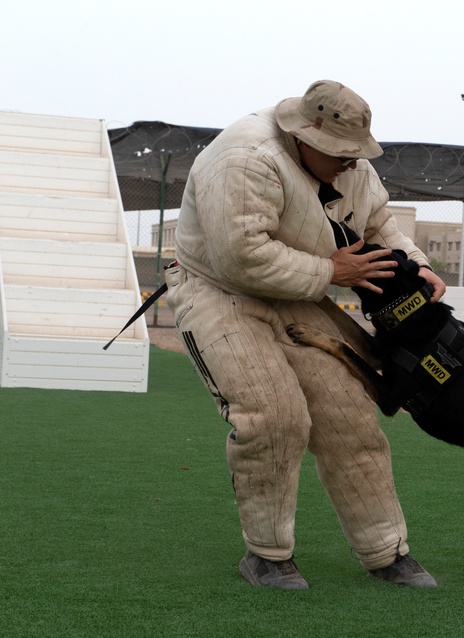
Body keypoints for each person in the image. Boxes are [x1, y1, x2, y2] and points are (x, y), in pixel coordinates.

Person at [163, 80, 447, 590]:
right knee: (273, 416)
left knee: (349, 415)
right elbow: (240, 256)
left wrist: (417, 265)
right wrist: (330, 272)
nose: (351, 162)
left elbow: (380, 225)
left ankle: (387, 552)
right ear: (302, 136)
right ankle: (268, 556)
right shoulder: (244, 159)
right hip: (216, 288)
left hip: (300, 290)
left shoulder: (351, 164)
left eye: (356, 152)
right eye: (339, 153)